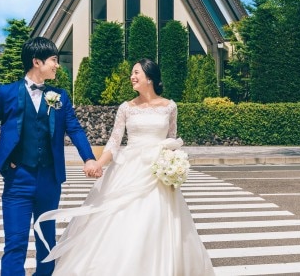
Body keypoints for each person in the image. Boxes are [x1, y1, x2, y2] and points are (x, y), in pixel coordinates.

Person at [35, 58, 215, 275]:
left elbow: (172, 140)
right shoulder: (126, 108)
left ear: (150, 77)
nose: (132, 76)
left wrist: (174, 166)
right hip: (129, 169)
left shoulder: (170, 106)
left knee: (158, 224)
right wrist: (97, 164)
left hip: (158, 174)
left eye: (137, 72)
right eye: (132, 73)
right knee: (122, 223)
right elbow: (114, 141)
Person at [0, 36, 101, 276]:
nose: (57, 65)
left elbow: (74, 128)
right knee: (15, 244)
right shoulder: (6, 93)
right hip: (17, 179)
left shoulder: (60, 96)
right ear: (37, 61)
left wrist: (89, 158)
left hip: (49, 179)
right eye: (54, 60)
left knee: (47, 243)